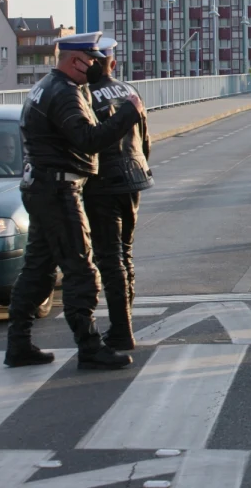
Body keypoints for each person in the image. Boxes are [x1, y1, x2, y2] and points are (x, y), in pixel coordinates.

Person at [6, 32, 145, 370]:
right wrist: (129, 113)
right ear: (75, 60)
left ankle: (18, 342)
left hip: (42, 187)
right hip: (58, 189)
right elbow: (87, 139)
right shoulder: (64, 94)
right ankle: (89, 345)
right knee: (81, 269)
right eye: (93, 59)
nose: (98, 65)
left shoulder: (47, 87)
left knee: (38, 268)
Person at [83, 37, 153, 351]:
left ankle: (121, 329)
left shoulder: (85, 95)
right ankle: (125, 320)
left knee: (109, 259)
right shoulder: (130, 90)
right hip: (133, 180)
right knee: (125, 253)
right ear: (113, 62)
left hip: (102, 183)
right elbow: (145, 141)